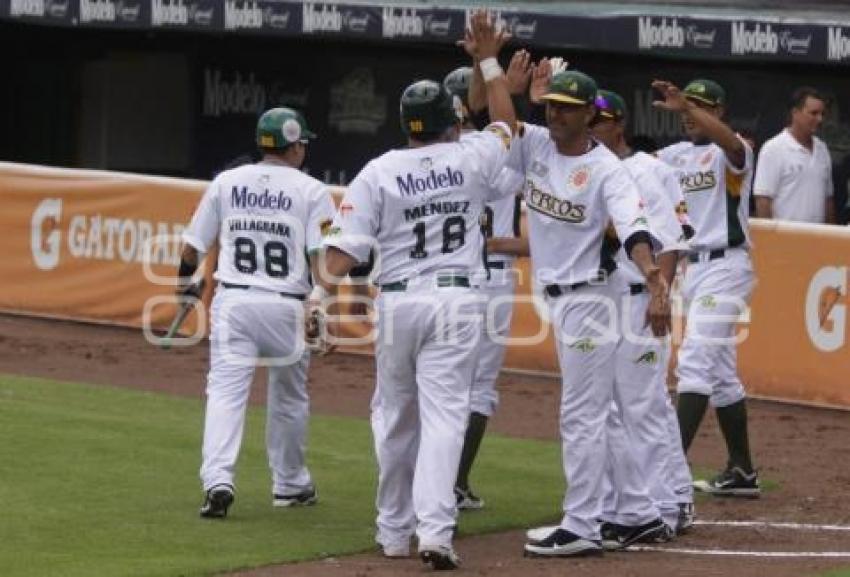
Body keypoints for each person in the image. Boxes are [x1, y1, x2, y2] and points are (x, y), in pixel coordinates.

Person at [312, 12, 517, 570]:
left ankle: (394, 532)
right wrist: (491, 60)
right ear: (450, 120)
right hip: (457, 299)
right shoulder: (471, 155)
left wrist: (317, 301)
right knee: (447, 417)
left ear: (407, 122)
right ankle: (436, 533)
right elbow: (505, 122)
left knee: (397, 417)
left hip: (399, 301)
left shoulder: (377, 170)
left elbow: (342, 252)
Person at [514, 63, 672, 558]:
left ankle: (582, 523)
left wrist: (650, 273)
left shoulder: (608, 169)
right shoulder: (537, 143)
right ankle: (638, 512)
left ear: (589, 115)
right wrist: (502, 76)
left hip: (590, 299)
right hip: (563, 298)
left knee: (580, 416)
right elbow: (500, 123)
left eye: (567, 108)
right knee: (599, 414)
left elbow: (634, 228)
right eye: (552, 106)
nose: (556, 114)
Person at [177, 107, 335, 518]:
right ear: (295, 144)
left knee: (226, 394)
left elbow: (191, 248)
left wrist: (182, 287)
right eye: (303, 143)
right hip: (287, 303)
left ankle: (217, 481)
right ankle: (290, 484)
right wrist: (320, 297)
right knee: (289, 398)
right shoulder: (313, 190)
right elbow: (324, 258)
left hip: (234, 301)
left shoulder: (227, 182)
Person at [590, 89, 695, 537]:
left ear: (619, 125)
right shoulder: (593, 169)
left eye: (599, 120)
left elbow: (670, 240)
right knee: (631, 403)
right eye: (587, 120)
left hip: (638, 294)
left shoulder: (647, 171)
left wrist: (660, 295)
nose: (592, 128)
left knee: (642, 405)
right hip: (607, 298)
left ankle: (661, 508)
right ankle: (671, 497)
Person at [654, 79, 760, 497]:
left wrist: (690, 107)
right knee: (720, 374)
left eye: (698, 107)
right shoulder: (674, 155)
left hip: (727, 265)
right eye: (684, 107)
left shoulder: (735, 150)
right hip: (691, 268)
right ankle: (742, 471)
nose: (686, 113)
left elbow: (730, 144)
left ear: (718, 111)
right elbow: (628, 165)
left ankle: (667, 470)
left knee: (694, 361)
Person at [445, 50, 531, 511]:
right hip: (491, 278)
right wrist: (506, 89)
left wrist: (492, 78)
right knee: (476, 388)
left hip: (441, 279)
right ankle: (454, 483)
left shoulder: (433, 156)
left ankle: (422, 481)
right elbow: (510, 133)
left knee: (434, 383)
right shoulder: (495, 154)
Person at [754, 87, 835, 224]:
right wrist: (769, 241)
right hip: (785, 241)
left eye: (822, 114)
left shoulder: (822, 149)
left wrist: (832, 237)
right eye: (814, 113)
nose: (820, 119)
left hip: (818, 240)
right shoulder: (773, 148)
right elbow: (763, 200)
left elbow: (828, 200)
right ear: (795, 113)